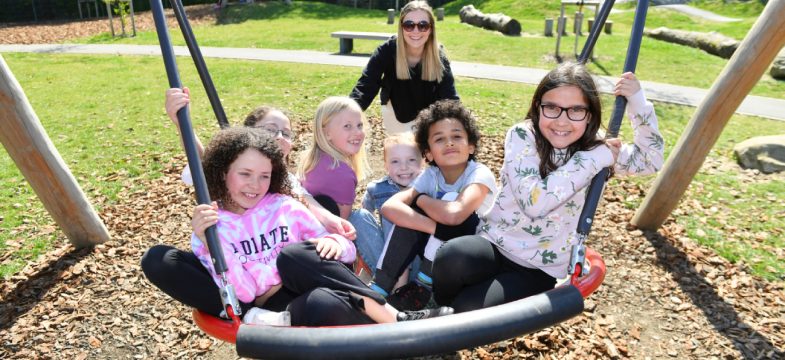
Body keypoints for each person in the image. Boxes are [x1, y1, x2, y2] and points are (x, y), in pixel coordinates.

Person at [151, 127, 453, 326]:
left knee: (293, 256)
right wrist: (208, 241)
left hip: (308, 282)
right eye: (245, 174)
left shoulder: (283, 206)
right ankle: (392, 323)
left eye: (265, 176)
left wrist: (337, 244)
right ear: (222, 172)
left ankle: (395, 319)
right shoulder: (214, 225)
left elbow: (346, 251)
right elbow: (241, 293)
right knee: (157, 259)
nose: (255, 186)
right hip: (276, 309)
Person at [432, 63, 665, 313]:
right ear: (537, 107)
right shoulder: (524, 137)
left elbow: (651, 159)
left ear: (590, 115)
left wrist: (638, 102)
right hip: (495, 244)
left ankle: (448, 318)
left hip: (538, 268)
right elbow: (535, 203)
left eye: (576, 110)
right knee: (451, 257)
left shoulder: (598, 150)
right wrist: (592, 159)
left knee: (470, 309)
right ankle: (441, 309)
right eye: (552, 108)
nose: (562, 121)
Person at [163, 87, 355, 238]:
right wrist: (182, 122)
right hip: (233, 248)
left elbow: (305, 200)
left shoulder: (285, 178)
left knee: (325, 206)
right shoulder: (229, 168)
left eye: (286, 133)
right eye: (270, 129)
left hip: (271, 252)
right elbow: (202, 163)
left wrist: (331, 220)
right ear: (248, 132)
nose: (279, 137)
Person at [370, 100, 498, 311]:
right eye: (440, 139)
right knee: (409, 216)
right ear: (428, 153)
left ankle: (424, 288)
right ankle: (380, 288)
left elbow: (454, 216)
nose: (449, 143)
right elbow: (390, 207)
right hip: (440, 247)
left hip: (474, 253)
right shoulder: (431, 174)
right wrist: (436, 228)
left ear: (471, 145)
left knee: (445, 201)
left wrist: (419, 199)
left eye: (457, 136)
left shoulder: (479, 174)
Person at [295, 96, 386, 276]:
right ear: (326, 132)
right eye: (347, 126)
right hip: (326, 245)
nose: (357, 132)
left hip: (305, 237)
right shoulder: (341, 173)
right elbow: (343, 228)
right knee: (360, 217)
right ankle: (387, 277)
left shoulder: (314, 159)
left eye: (359, 125)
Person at [349, 1, 459, 134]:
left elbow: (450, 96)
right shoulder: (387, 50)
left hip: (429, 112)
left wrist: (459, 124)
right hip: (396, 110)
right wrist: (347, 112)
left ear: (430, 29)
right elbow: (367, 84)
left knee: (426, 152)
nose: (416, 31)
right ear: (401, 28)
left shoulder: (438, 56)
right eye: (409, 25)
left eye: (423, 26)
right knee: (403, 152)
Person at [361, 133, 424, 282]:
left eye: (411, 160)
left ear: (422, 161)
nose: (404, 167)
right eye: (395, 161)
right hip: (386, 260)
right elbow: (367, 214)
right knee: (359, 216)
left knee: (405, 217)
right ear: (386, 165)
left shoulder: (429, 186)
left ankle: (399, 286)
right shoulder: (377, 189)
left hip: (418, 262)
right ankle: (387, 282)